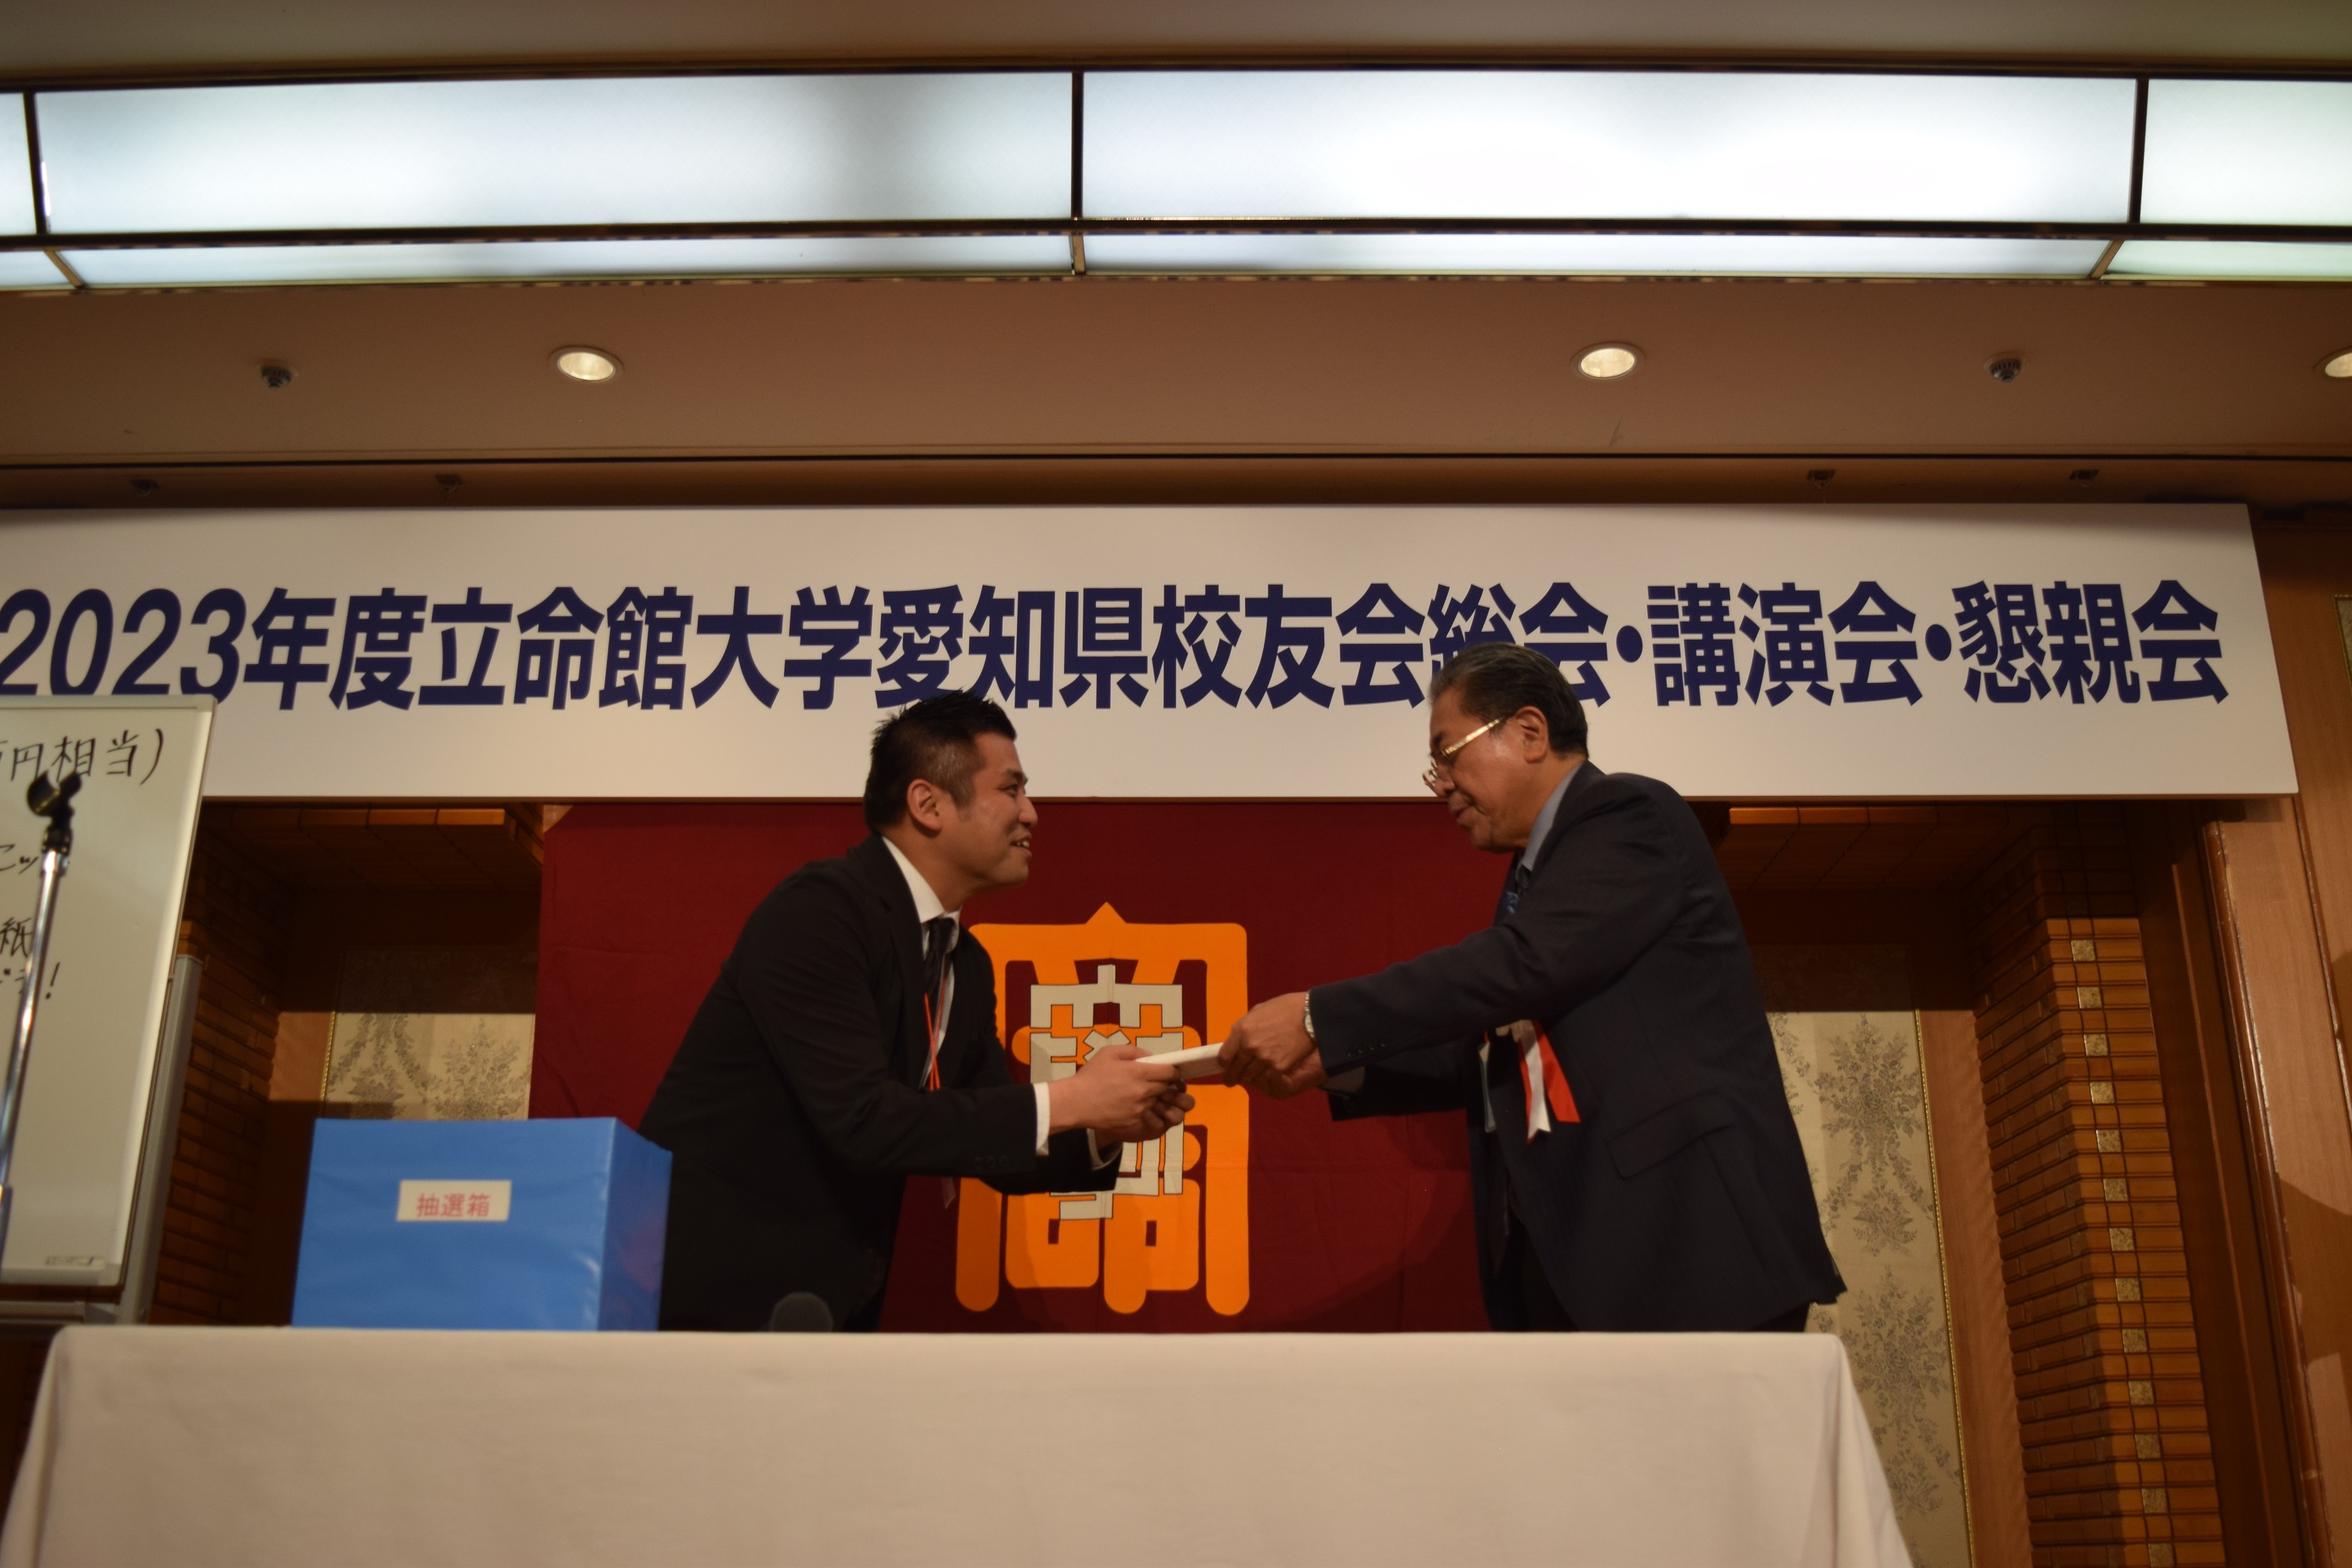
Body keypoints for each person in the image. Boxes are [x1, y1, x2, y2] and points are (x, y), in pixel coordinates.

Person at [1219, 643, 1842, 1332]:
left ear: (1530, 732)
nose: (1440, 786)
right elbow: (1488, 1054)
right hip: (1582, 1260)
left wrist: (1318, 1017)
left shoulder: (1629, 815)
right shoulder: (1530, 885)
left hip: (1689, 1243)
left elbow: (1521, 965)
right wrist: (1328, 1065)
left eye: (1449, 754)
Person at [641, 693, 1191, 1331]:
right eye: (1010, 789)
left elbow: (989, 1135)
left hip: (822, 1313)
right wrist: (1074, 1099)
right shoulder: (820, 912)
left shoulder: (964, 959)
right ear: (928, 805)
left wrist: (1105, 1126)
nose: (1031, 813)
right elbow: (865, 1121)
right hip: (704, 1301)